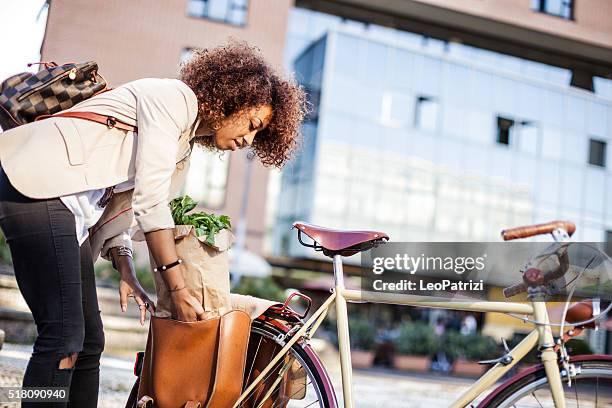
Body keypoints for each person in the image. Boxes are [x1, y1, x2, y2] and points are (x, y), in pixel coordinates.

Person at [0, 41, 306, 407]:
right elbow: (151, 202)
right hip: (37, 185)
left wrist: (127, 268)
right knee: (62, 337)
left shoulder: (184, 146)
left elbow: (120, 211)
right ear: (231, 98)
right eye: (252, 124)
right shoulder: (173, 99)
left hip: (68, 208)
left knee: (90, 342)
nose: (248, 140)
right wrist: (176, 288)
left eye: (258, 137)